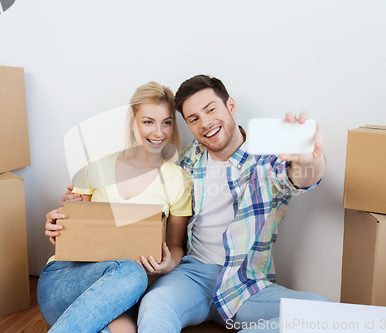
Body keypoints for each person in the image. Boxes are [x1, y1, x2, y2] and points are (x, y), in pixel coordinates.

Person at [134, 75, 329, 333]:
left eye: (211, 109)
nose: (205, 123)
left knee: (321, 311)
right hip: (193, 276)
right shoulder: (190, 157)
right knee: (155, 305)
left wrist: (309, 161)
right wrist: (85, 199)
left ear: (231, 106)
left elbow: (299, 178)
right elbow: (155, 196)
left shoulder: (268, 158)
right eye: (193, 119)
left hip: (247, 284)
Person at [39, 81, 192, 333]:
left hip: (124, 296)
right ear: (132, 123)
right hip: (66, 282)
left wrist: (168, 265)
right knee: (132, 271)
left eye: (166, 122)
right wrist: (56, 226)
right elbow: (69, 232)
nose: (159, 132)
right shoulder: (95, 167)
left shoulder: (178, 180)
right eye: (148, 121)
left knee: (126, 329)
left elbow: (176, 246)